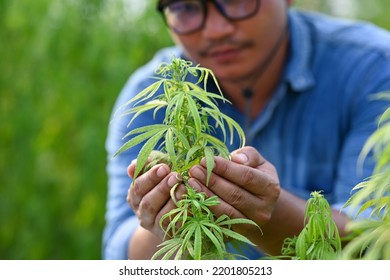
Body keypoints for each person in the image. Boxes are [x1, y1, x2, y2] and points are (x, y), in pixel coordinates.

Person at [103, 0, 390, 260]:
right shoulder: (150, 95)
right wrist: (165, 225)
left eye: (236, 1)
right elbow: (119, 253)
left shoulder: (374, 68)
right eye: (186, 7)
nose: (216, 30)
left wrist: (272, 216)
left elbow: (376, 240)